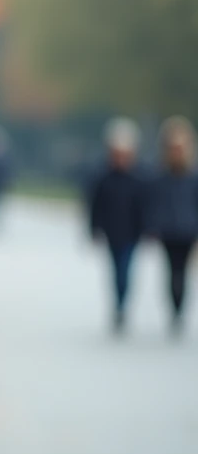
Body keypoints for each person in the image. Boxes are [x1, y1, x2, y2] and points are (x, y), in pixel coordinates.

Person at [87, 117, 146, 335]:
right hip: (112, 232)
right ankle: (118, 304)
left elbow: (144, 207)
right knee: (115, 271)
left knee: (126, 270)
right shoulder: (103, 177)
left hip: (131, 233)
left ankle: (123, 304)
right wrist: (93, 229)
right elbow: (94, 205)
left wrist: (146, 228)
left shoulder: (139, 178)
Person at [144, 116, 198, 337]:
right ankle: (174, 308)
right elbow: (153, 204)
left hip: (187, 230)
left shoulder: (193, 177)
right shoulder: (160, 177)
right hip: (167, 230)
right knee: (171, 271)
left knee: (182, 272)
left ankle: (180, 308)